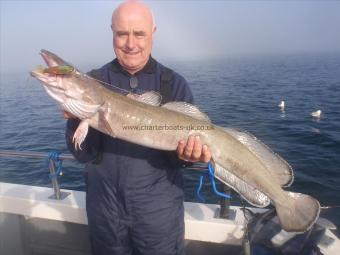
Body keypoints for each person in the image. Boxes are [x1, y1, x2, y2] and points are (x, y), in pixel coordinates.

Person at [64, 1, 211, 254]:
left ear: (153, 33)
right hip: (105, 214)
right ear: (112, 32)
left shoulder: (174, 85)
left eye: (139, 34)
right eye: (122, 34)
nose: (131, 44)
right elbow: (81, 154)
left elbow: (183, 162)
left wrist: (189, 157)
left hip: (158, 217)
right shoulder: (92, 82)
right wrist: (78, 117)